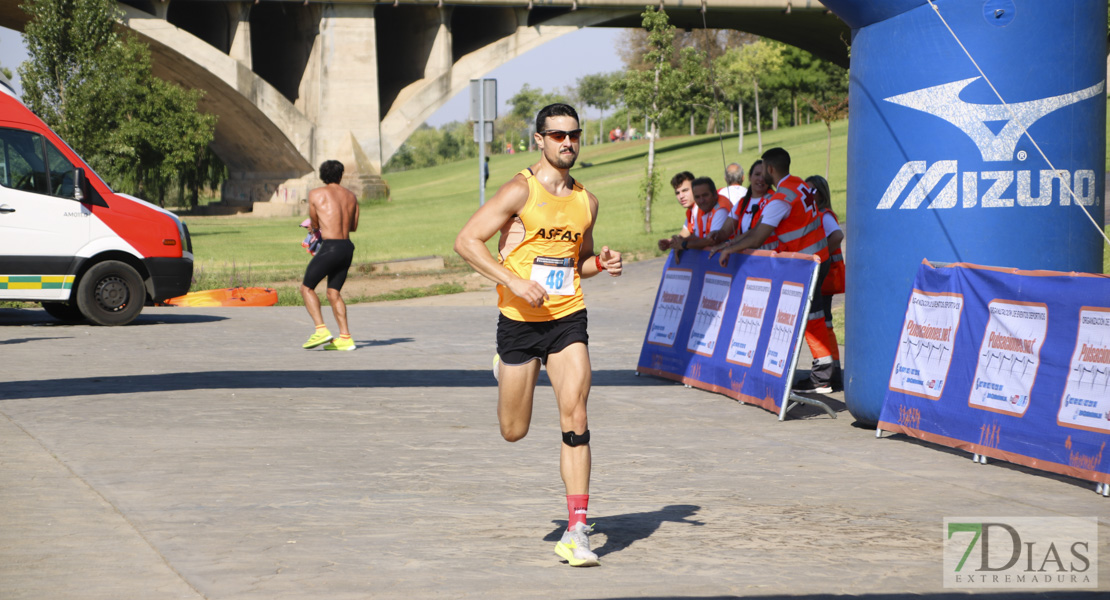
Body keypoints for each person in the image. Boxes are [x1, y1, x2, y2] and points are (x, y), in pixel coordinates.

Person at [454, 103, 622, 568]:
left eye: (573, 134)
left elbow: (579, 263)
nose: (567, 143)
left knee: (577, 414)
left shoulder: (586, 201)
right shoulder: (518, 191)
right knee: (514, 430)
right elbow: (466, 241)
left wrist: (601, 265)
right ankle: (505, 368)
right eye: (557, 135)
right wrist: (512, 281)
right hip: (519, 323)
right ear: (539, 140)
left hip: (568, 318)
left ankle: (577, 530)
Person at [709, 147, 838, 393]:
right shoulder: (799, 184)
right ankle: (824, 373)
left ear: (770, 169)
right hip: (817, 259)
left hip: (806, 264)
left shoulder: (781, 198)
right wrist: (731, 244)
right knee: (815, 319)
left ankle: (821, 377)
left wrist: (729, 249)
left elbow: (758, 236)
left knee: (810, 320)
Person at [300, 160, 360, 351]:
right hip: (347, 247)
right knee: (333, 293)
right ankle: (345, 338)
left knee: (306, 288)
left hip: (330, 247)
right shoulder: (351, 196)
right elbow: (353, 227)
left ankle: (321, 330)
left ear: (322, 175)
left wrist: (314, 227)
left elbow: (315, 224)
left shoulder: (316, 194)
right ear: (340, 175)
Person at [808, 175, 845, 386]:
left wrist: (821, 258)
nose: (809, 195)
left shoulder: (823, 215)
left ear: (822, 193)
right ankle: (833, 371)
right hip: (823, 277)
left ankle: (831, 372)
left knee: (825, 324)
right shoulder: (815, 215)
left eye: (813, 190)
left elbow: (838, 236)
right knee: (825, 322)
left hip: (826, 277)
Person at [662, 177, 729, 253]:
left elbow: (711, 241)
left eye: (705, 195)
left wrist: (684, 244)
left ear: (715, 194)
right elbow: (696, 237)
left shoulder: (721, 210)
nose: (701, 200)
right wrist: (674, 243)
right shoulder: (700, 209)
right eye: (697, 197)